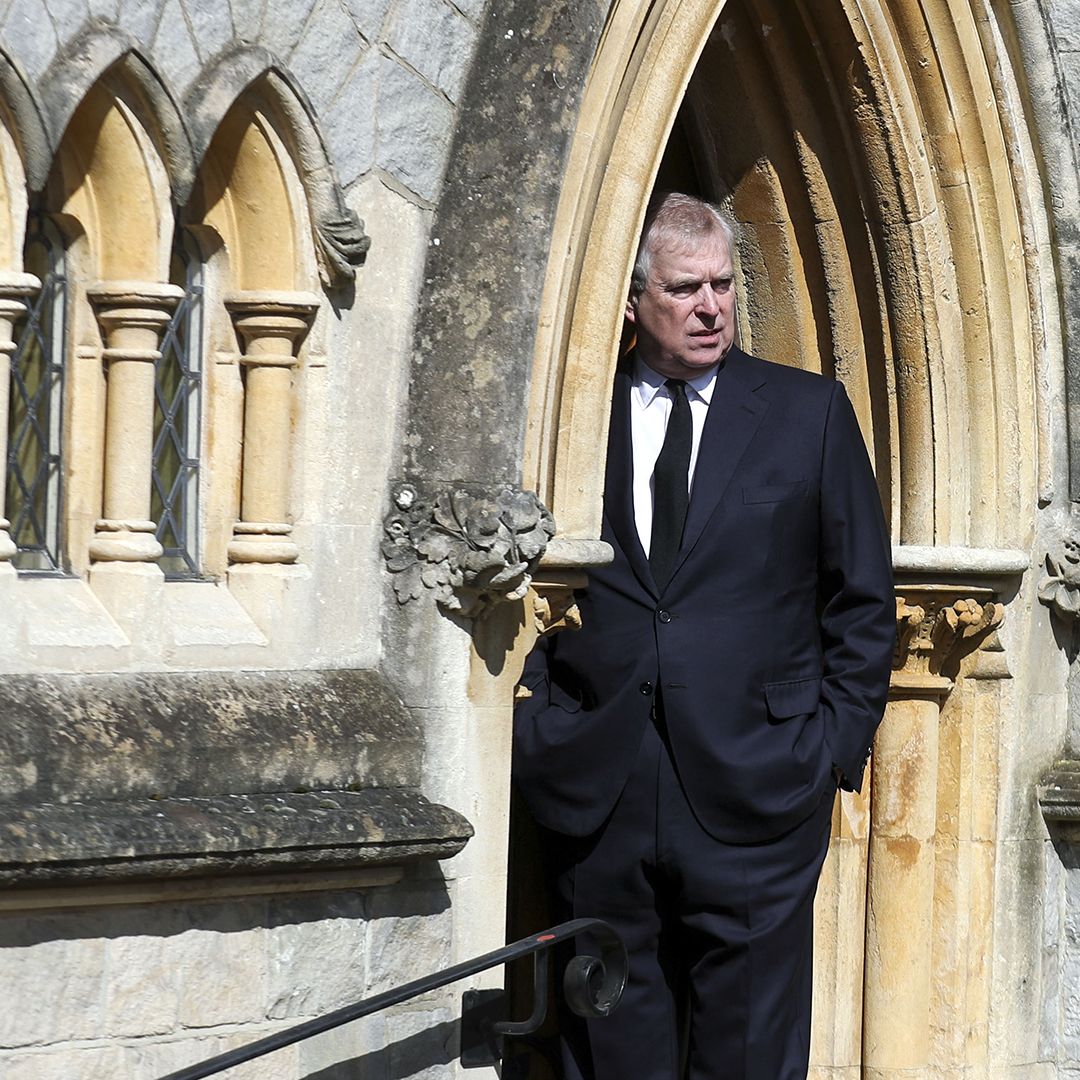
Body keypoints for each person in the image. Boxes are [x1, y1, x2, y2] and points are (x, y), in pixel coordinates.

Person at [512, 192, 895, 1080]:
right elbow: (520, 581)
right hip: (597, 795)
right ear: (634, 298)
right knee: (608, 1055)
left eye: (723, 285)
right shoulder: (573, 417)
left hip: (760, 794)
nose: (711, 307)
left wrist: (831, 750)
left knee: (750, 1061)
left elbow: (864, 600)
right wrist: (538, 731)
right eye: (685, 289)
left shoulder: (809, 414)